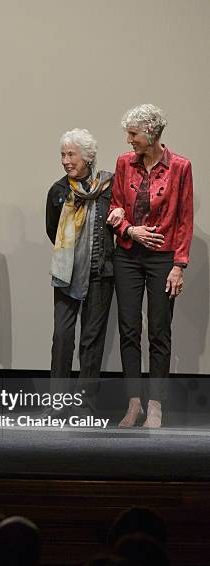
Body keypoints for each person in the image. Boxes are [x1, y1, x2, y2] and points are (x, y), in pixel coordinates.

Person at [107, 104, 193, 428]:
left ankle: (155, 405)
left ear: (152, 134)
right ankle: (134, 404)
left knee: (159, 331)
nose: (129, 141)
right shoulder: (123, 163)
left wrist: (179, 265)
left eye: (134, 134)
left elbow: (184, 218)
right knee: (129, 329)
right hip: (128, 254)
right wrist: (128, 229)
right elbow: (116, 204)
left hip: (162, 257)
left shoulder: (180, 167)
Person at [46, 129, 114, 412]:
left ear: (88, 157)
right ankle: (58, 404)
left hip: (101, 272)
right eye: (63, 154)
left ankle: (85, 405)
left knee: (91, 340)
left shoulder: (110, 187)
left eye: (71, 154)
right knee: (62, 338)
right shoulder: (59, 190)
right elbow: (53, 231)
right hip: (67, 273)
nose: (65, 160)